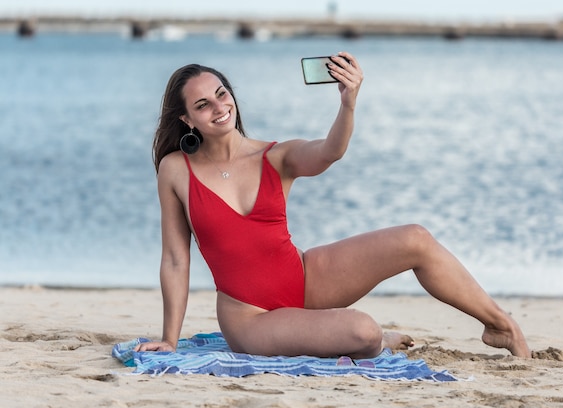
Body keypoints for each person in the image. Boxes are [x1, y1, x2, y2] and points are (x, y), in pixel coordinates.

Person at [135, 52, 531, 359]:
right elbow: (175, 260)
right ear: (187, 119)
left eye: (221, 94)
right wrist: (170, 339)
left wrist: (348, 103)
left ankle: (501, 326)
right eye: (202, 104)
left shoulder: (275, 156)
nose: (219, 107)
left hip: (304, 277)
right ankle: (374, 342)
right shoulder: (175, 171)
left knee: (416, 238)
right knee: (364, 331)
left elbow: (329, 152)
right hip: (250, 318)